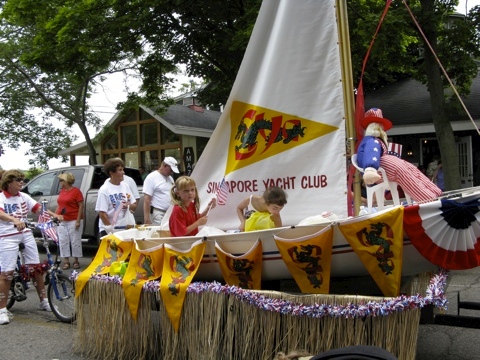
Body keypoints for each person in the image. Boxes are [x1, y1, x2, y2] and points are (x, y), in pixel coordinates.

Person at [357, 108, 442, 202]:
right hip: (379, 169)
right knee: (404, 174)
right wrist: (370, 169)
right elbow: (372, 153)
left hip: (386, 166)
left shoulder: (375, 140)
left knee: (412, 169)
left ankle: (435, 192)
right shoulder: (371, 141)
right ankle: (428, 199)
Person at [0, 170, 52, 325]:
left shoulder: (24, 197)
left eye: (23, 179)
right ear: (9, 182)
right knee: (7, 273)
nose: (22, 182)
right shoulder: (2, 197)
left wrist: (55, 216)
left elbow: (38, 209)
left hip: (26, 233)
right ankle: (2, 309)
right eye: (18, 180)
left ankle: (44, 301)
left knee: (36, 269)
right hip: (7, 236)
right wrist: (14, 219)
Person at [95, 158, 136, 238]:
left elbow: (134, 205)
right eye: (120, 170)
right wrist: (111, 231)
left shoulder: (125, 186)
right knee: (112, 251)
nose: (123, 172)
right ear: (111, 173)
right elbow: (102, 214)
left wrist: (128, 205)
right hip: (109, 231)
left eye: (123, 170)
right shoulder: (104, 189)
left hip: (124, 229)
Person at [54, 173, 84, 270]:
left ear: (66, 181)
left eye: (61, 180)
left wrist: (78, 220)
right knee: (63, 240)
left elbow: (81, 206)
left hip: (73, 219)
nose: (60, 182)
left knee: (75, 240)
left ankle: (76, 260)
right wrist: (56, 215)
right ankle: (66, 261)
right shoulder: (62, 191)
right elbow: (60, 205)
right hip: (62, 219)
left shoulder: (76, 191)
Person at [143, 157, 179, 226]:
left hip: (169, 212)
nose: (171, 173)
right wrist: (147, 218)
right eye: (171, 170)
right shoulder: (151, 177)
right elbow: (147, 199)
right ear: (165, 165)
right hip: (158, 212)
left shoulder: (170, 178)